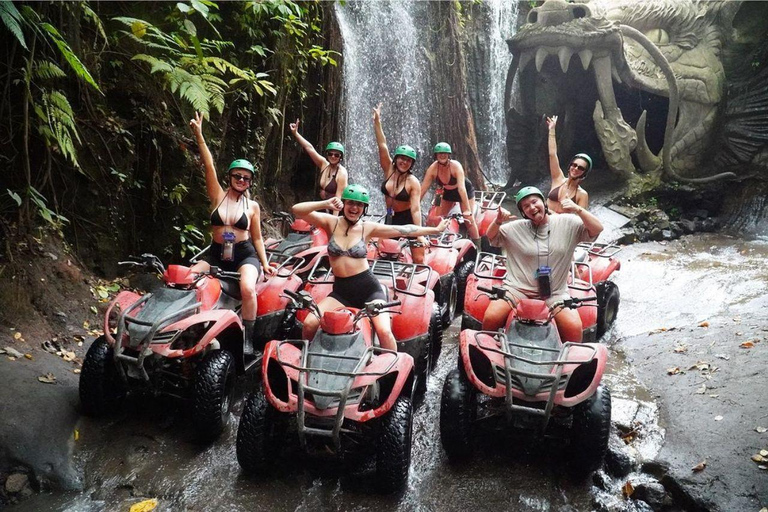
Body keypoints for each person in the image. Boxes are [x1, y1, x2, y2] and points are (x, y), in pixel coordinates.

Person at [292, 185, 448, 351]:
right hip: (341, 292)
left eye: (359, 205)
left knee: (384, 332)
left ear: (364, 208)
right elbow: (297, 210)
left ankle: (390, 371)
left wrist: (435, 229)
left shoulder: (368, 228)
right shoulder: (331, 222)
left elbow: (406, 229)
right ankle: (306, 361)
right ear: (344, 203)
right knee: (309, 324)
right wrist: (326, 203)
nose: (354, 208)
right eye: (351, 203)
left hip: (369, 290)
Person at [189, 112, 275, 357]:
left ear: (250, 183)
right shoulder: (217, 196)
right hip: (216, 252)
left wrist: (265, 263)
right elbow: (208, 165)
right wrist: (199, 135)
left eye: (246, 178)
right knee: (188, 278)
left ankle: (248, 339)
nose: (241, 180)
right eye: (237, 176)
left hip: (243, 254)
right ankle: (190, 328)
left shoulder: (253, 207)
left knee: (248, 288)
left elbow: (257, 238)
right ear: (230, 177)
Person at [483, 186, 603, 342]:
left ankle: (568, 362)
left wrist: (578, 209)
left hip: (555, 293)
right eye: (526, 206)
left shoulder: (568, 222)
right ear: (523, 213)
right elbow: (491, 237)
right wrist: (497, 221)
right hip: (517, 289)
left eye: (534, 202)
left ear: (544, 203)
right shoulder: (515, 228)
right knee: (491, 317)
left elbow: (597, 228)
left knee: (573, 326)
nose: (532, 207)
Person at [372, 103, 427, 264]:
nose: (404, 162)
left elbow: (416, 210)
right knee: (383, 253)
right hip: (390, 217)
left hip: (408, 219)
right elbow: (382, 145)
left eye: (408, 160)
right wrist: (377, 122)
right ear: (396, 159)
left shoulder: (413, 182)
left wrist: (419, 234)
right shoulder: (389, 169)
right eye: (402, 158)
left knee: (419, 258)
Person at [420, 142, 481, 248]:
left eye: (445, 153)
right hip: (444, 191)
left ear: (449, 155)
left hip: (464, 190)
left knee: (468, 219)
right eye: (439, 154)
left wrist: (467, 210)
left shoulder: (455, 166)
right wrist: (415, 204)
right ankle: (437, 242)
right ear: (436, 155)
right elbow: (423, 188)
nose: (442, 155)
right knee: (436, 217)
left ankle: (477, 246)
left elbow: (462, 189)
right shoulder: (433, 168)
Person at [289, 119, 349, 205]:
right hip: (322, 206)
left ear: (341, 157)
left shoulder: (342, 173)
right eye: (330, 154)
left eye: (336, 155)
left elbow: (338, 199)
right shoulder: (324, 164)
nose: (333, 156)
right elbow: (309, 148)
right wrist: (296, 134)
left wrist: (334, 219)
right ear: (327, 154)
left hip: (335, 210)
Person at [545, 115, 591, 214]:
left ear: (584, 173)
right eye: (574, 165)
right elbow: (552, 154)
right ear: (570, 166)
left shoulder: (582, 195)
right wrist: (552, 131)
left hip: (561, 227)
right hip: (544, 222)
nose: (576, 168)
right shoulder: (558, 178)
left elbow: (580, 221)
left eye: (581, 168)